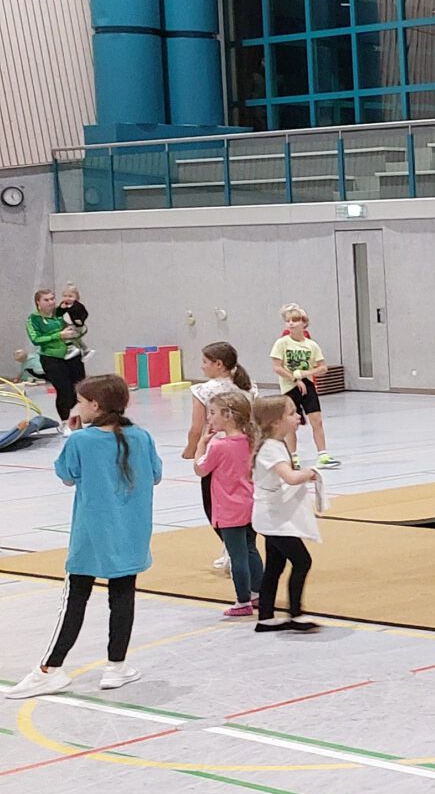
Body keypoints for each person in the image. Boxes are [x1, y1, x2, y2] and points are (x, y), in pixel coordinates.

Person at [3, 375, 157, 698]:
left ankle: (50, 668)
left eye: (81, 402)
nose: (78, 407)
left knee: (75, 598)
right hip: (132, 533)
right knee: (123, 595)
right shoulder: (142, 436)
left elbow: (67, 476)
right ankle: (116, 666)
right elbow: (155, 475)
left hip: (92, 536)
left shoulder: (81, 441)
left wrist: (71, 436)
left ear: (95, 406)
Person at [249, 394, 322, 633]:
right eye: (291, 413)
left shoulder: (275, 445)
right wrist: (310, 473)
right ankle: (296, 614)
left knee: (275, 566)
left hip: (271, 516)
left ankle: (266, 617)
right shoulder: (272, 448)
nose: (298, 416)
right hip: (273, 518)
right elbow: (289, 478)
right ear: (275, 422)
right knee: (302, 561)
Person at [184, 342, 253, 575]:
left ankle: (232, 551)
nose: (202, 366)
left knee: (214, 506)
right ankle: (239, 549)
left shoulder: (203, 390)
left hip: (217, 450)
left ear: (219, 364)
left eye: (205, 362)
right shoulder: (248, 388)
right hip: (244, 449)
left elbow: (197, 427)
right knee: (242, 497)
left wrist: (191, 449)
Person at [197, 391, 262, 616]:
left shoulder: (219, 446)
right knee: (251, 549)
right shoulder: (251, 441)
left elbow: (200, 469)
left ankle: (242, 601)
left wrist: (201, 444)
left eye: (213, 413)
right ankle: (257, 593)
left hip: (228, 509)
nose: (209, 418)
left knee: (237, 556)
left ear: (228, 415)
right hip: (250, 505)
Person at [271, 303, 335, 469]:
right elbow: (277, 367)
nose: (291, 323)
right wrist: (294, 378)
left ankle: (323, 455)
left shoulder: (311, 345)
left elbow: (322, 367)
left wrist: (305, 373)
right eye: (288, 320)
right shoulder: (281, 343)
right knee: (291, 424)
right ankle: (293, 457)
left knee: (316, 420)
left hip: (308, 384)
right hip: (289, 387)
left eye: (295, 320)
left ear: (304, 323)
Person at [27, 287, 86, 427]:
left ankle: (78, 422)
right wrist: (58, 335)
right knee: (64, 391)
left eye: (52, 299)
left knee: (79, 390)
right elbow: (36, 339)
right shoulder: (34, 319)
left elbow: (79, 322)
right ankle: (65, 422)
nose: (51, 302)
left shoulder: (61, 313)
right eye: (46, 300)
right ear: (38, 302)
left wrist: (77, 328)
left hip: (72, 355)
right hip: (52, 357)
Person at [58, 284, 92, 362]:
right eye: (65, 296)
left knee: (66, 335)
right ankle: (86, 350)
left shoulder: (78, 306)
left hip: (77, 325)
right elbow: (58, 313)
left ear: (76, 297)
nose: (67, 298)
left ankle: (71, 348)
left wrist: (80, 320)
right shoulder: (64, 304)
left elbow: (85, 314)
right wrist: (61, 308)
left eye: (70, 296)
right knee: (77, 339)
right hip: (68, 324)